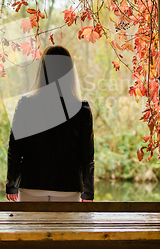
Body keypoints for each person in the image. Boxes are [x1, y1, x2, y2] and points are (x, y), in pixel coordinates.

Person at [5, 45, 94, 202]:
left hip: (31, 185)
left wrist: (11, 184)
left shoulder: (26, 103)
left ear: (43, 70)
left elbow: (15, 148)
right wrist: (88, 192)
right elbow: (87, 156)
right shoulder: (82, 109)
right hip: (68, 188)